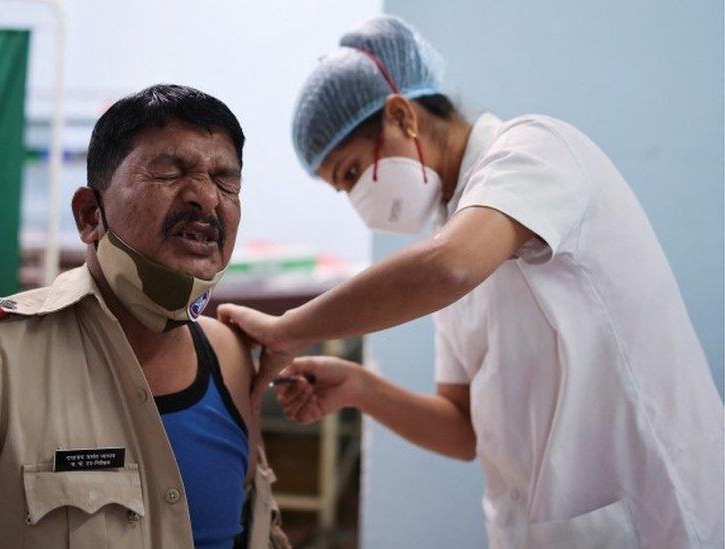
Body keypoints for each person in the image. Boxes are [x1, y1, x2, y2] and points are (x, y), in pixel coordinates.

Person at [219, 15, 724, 549]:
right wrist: (359, 388)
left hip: (656, 518)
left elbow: (449, 268)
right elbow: (463, 430)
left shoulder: (532, 150)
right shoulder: (451, 228)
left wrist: (291, 328)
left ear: (400, 115)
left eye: (349, 174)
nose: (355, 200)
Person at [0, 84, 288, 549]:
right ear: (90, 215)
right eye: (169, 172)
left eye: (225, 180)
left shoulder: (230, 356)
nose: (205, 197)